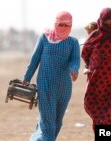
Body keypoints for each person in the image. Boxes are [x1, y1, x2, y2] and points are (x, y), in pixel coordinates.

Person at [22, 11, 80, 141]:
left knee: (57, 122)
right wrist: (27, 77)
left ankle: (36, 138)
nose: (63, 28)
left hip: (64, 88)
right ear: (55, 23)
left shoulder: (73, 42)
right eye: (60, 24)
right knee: (47, 122)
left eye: (66, 25)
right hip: (45, 84)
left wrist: (74, 70)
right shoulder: (45, 38)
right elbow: (35, 59)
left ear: (71, 25)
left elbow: (75, 60)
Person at [81, 7, 111, 131]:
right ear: (101, 20)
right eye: (106, 20)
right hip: (97, 82)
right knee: (98, 111)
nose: (109, 23)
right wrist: (93, 65)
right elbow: (85, 53)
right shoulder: (95, 35)